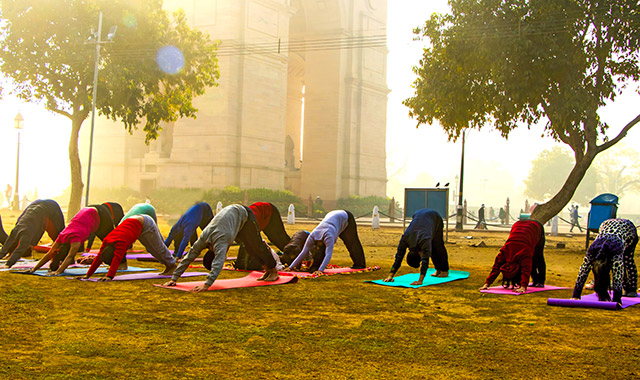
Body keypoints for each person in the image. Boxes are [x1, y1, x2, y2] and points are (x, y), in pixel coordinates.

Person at [162, 204, 279, 292]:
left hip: (244, 214)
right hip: (233, 219)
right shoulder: (203, 239)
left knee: (256, 245)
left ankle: (273, 271)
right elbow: (189, 256)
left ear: (214, 251)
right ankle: (266, 270)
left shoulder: (220, 242)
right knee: (249, 248)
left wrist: (207, 285)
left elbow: (218, 263)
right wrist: (174, 279)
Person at [82, 214, 176, 280]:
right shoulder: (107, 240)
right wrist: (87, 275)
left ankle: (172, 265)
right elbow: (98, 257)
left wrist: (109, 276)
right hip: (136, 224)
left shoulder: (120, 242)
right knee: (150, 249)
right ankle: (168, 265)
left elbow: (117, 258)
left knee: (157, 247)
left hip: (145, 223)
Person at [571, 218, 638, 303]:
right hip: (607, 226)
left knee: (628, 260)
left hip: (628, 229)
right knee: (622, 263)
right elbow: (583, 271)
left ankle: (632, 288)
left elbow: (618, 274)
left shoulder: (616, 248)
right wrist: (576, 295)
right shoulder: (592, 250)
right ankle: (627, 288)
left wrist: (617, 298)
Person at [27, 206, 103, 275]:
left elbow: (70, 256)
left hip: (95, 212)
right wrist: (34, 269)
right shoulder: (62, 235)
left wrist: (58, 271)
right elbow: (50, 253)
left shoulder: (74, 238)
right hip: (83, 212)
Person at [286, 210, 366, 274]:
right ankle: (315, 266)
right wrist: (291, 267)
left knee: (351, 243)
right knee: (320, 251)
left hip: (345, 217)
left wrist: (320, 270)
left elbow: (328, 254)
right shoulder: (312, 236)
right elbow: (304, 252)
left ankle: (360, 264)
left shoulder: (329, 236)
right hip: (333, 219)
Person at [383, 209, 449, 285]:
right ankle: (438, 269)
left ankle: (444, 270)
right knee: (430, 248)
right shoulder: (404, 240)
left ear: (419, 254)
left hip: (435, 217)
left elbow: (425, 261)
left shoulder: (424, 240)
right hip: (419, 216)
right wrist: (390, 275)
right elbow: (398, 258)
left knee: (437, 245)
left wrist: (420, 281)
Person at [479, 219, 546, 293]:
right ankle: (535, 280)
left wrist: (523, 286)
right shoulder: (504, 252)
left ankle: (540, 281)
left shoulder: (523, 253)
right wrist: (487, 283)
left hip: (536, 227)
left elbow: (526, 269)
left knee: (538, 256)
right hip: (519, 226)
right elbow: (496, 268)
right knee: (530, 258)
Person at [0, 199, 65, 268]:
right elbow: (9, 245)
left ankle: (64, 255)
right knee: (59, 236)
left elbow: (16, 248)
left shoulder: (21, 231)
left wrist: (8, 263)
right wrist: (6, 260)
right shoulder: (19, 229)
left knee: (60, 236)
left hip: (49, 206)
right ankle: (64, 254)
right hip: (39, 207)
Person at [234, 202, 292, 270]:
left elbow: (256, 244)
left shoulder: (247, 226)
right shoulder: (240, 226)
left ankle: (293, 255)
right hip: (260, 215)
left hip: (269, 212)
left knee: (279, 238)